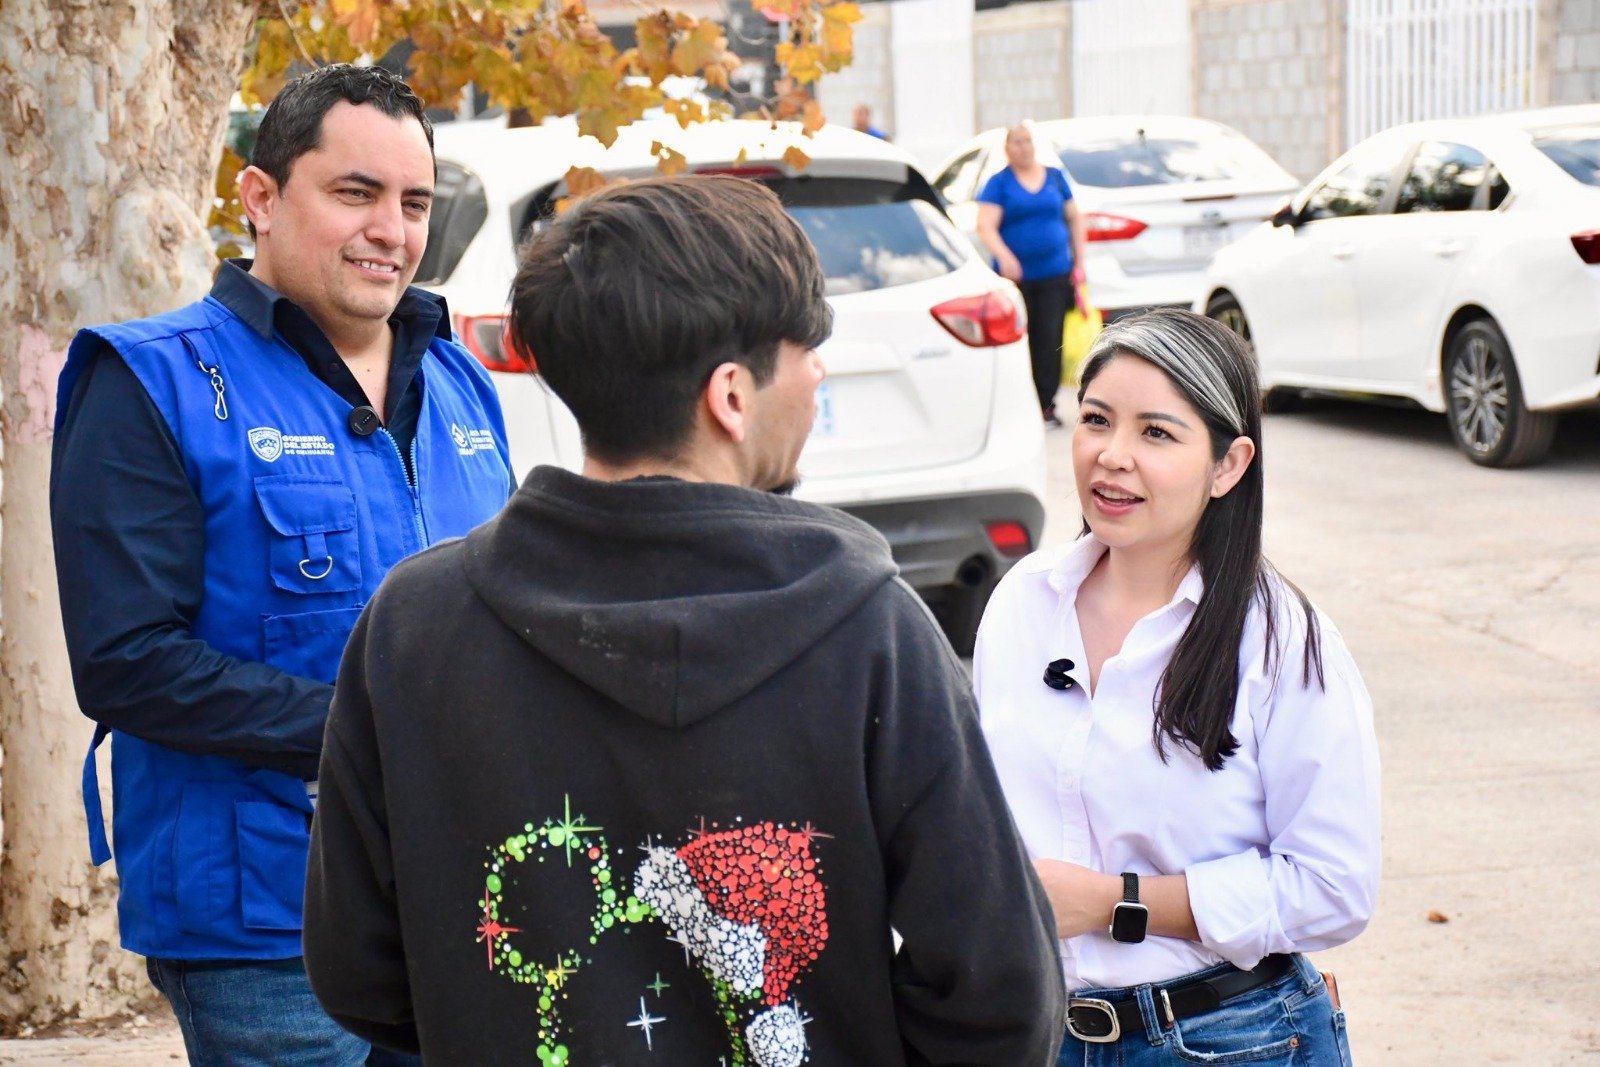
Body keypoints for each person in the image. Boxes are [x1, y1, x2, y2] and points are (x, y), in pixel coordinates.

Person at [301, 175, 1066, 1065]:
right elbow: (1002, 998)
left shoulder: (414, 627)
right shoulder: (872, 635)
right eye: (805, 349)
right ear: (731, 395)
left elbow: (358, 971)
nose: (818, 373)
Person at [50, 64, 512, 1066]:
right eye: (356, 193)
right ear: (258, 198)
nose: (391, 229)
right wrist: (386, 735)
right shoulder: (151, 381)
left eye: (414, 201)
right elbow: (127, 661)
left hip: (461, 899)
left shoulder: (465, 381)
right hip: (268, 927)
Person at [972, 309, 1380, 1064]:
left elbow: (1333, 885)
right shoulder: (1023, 602)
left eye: (1156, 432)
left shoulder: (1282, 638)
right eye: (1097, 420)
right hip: (1034, 1031)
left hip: (1229, 1039)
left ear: (1228, 464)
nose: (1111, 456)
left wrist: (1116, 902)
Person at [975, 122, 1087, 427]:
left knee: (1050, 338)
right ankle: (1020, 402)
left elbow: (1074, 219)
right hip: (1016, 280)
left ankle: (1046, 405)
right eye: (1017, 142)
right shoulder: (999, 183)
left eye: (1028, 141)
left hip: (1054, 273)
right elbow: (985, 226)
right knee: (1021, 340)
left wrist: (1079, 262)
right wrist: (1005, 256)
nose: (1024, 147)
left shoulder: (1054, 177)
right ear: (1007, 148)